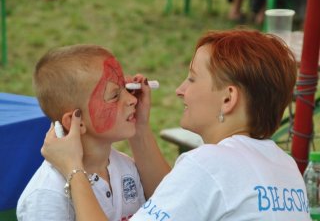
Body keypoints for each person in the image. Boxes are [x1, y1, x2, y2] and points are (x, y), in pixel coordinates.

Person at [41, 30, 311, 220]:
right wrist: (141, 128)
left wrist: (73, 168)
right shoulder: (284, 164)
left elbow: (196, 185)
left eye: (192, 79)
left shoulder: (211, 163)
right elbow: (176, 197)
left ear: (228, 98)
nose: (180, 90)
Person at [17, 44, 169, 221]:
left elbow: (171, 204)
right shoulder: (47, 195)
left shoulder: (127, 168)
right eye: (114, 96)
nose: (132, 99)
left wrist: (140, 125)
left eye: (126, 88)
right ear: (76, 120)